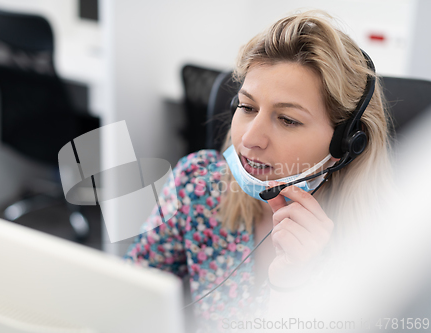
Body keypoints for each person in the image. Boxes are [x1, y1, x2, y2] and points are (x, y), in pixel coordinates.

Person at [124, 10, 393, 333]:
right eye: (247, 107)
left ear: (347, 144)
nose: (250, 139)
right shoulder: (197, 183)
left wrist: (292, 284)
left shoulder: (384, 248)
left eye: (288, 120)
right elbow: (129, 292)